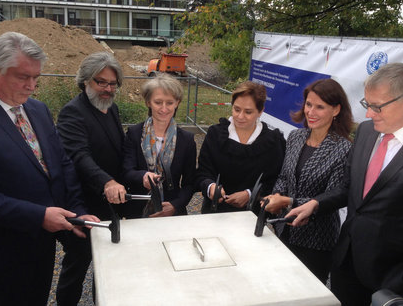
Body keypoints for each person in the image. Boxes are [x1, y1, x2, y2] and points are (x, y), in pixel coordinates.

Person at [0, 32, 99, 306]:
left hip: (39, 247)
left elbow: (61, 165)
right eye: (23, 77)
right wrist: (40, 215)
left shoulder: (37, 110)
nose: (31, 86)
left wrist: (77, 212)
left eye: (36, 78)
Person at [286, 63, 403, 305]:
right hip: (346, 265)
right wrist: (316, 204)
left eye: (376, 107)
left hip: (394, 279)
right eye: (367, 104)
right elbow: (348, 188)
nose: (369, 114)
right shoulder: (365, 133)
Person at [263, 78, 353, 284]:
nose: (311, 112)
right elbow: (284, 176)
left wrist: (287, 202)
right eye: (309, 104)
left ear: (336, 110)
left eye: (320, 107)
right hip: (284, 230)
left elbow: (331, 198)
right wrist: (276, 196)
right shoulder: (295, 136)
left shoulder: (344, 149)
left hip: (316, 242)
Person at [55, 52, 126, 304]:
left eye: (112, 83)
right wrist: (107, 181)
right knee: (77, 265)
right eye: (101, 82)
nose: (107, 89)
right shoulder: (72, 113)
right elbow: (78, 156)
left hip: (109, 203)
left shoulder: (111, 108)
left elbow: (118, 150)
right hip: (82, 204)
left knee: (105, 265)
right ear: (85, 81)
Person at [196, 81, 286, 213]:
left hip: (252, 215)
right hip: (214, 213)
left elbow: (275, 180)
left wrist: (250, 194)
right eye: (236, 109)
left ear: (260, 111)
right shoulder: (215, 134)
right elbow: (203, 172)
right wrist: (210, 186)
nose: (240, 116)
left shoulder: (273, 141)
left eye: (248, 112)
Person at [122, 74, 196, 218]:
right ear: (148, 102)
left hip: (171, 212)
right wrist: (142, 176)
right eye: (158, 102)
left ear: (177, 103)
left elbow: (190, 183)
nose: (164, 108)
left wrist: (175, 205)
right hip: (138, 211)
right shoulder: (134, 134)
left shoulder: (186, 140)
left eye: (169, 103)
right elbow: (126, 171)